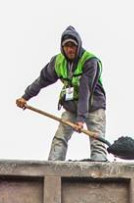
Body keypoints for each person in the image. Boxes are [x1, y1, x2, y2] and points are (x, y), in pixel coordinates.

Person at [16, 26, 107, 162]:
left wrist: (81, 119)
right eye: (67, 46)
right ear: (62, 47)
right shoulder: (58, 62)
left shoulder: (90, 61)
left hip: (93, 105)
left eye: (73, 46)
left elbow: (85, 91)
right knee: (60, 137)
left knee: (97, 139)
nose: (70, 50)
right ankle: (54, 165)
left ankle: (100, 165)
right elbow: (42, 80)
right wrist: (25, 96)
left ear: (79, 45)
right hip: (71, 106)